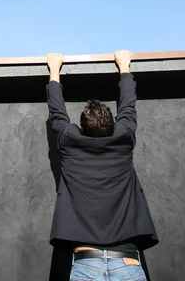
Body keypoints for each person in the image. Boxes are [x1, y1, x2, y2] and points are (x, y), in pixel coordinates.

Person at [46, 50, 158, 281]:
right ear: (113, 124)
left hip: (86, 264)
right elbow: (128, 107)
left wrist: (55, 70)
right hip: (127, 261)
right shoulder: (124, 138)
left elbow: (57, 114)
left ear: (82, 127)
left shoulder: (69, 140)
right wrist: (125, 67)